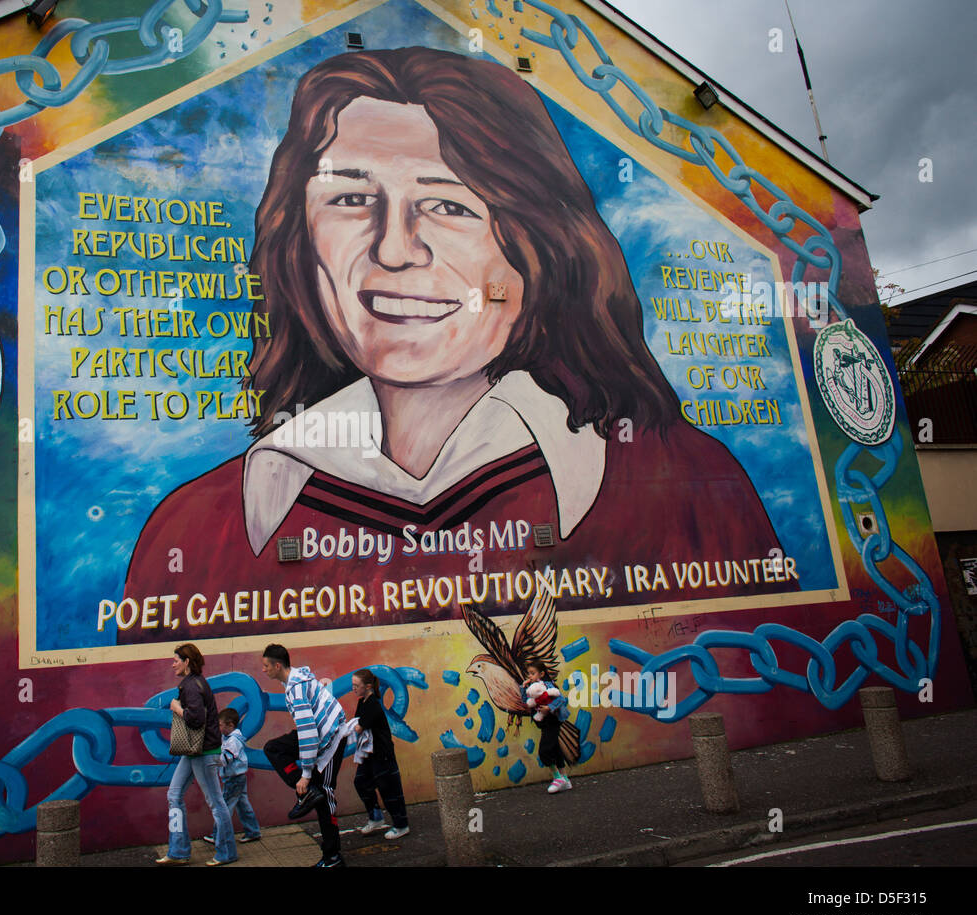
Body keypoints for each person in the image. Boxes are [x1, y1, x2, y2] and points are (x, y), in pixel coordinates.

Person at [123, 46, 790, 642]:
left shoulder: (682, 487)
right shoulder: (196, 531)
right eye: (352, 198)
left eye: (449, 206)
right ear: (299, 240)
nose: (393, 248)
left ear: (539, 245)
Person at [260, 643, 349, 867]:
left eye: (266, 666)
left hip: (330, 739)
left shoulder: (296, 689)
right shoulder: (295, 679)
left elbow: (308, 731)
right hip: (321, 733)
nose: (264, 670)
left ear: (277, 665)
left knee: (325, 794)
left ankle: (333, 856)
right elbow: (306, 730)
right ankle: (309, 793)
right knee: (274, 748)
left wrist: (306, 774)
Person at [155, 644, 238, 865]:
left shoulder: (192, 686)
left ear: (187, 662)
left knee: (216, 802)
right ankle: (178, 851)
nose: (172, 664)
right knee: (174, 795)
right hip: (195, 751)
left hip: (203, 752)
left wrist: (176, 708)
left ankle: (226, 852)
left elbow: (196, 719)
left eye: (176, 660)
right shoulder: (197, 683)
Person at [350, 668, 409, 839]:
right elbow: (356, 722)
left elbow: (359, 726)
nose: (354, 689)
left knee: (389, 789)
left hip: (382, 753)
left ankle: (401, 825)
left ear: (368, 686)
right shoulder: (362, 702)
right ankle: (375, 817)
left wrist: (350, 727)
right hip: (368, 753)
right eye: (353, 685)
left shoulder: (374, 704)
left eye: (356, 685)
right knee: (361, 782)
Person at [203, 707, 262, 845]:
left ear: (230, 725)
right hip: (237, 777)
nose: (219, 728)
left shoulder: (233, 741)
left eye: (220, 725)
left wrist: (211, 757)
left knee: (224, 806)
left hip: (233, 778)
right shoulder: (228, 738)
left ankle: (218, 835)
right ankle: (253, 831)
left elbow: (225, 759)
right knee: (242, 805)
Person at [524, 660, 572, 794]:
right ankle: (565, 780)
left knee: (545, 750)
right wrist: (524, 688)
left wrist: (549, 708)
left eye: (533, 673)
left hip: (552, 720)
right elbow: (527, 703)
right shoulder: (532, 688)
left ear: (542, 673)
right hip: (544, 723)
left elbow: (561, 698)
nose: (530, 676)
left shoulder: (547, 685)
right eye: (529, 674)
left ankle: (557, 778)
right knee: (555, 749)